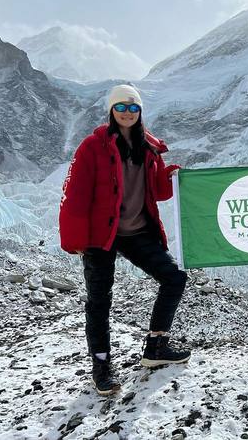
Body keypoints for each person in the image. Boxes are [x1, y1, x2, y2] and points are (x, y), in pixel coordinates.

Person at [59, 84, 190, 395]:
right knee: (100, 301)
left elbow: (158, 193)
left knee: (174, 278)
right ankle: (101, 365)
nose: (127, 113)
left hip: (136, 231)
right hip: (100, 235)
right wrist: (73, 239)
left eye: (133, 108)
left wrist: (169, 174)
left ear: (140, 111)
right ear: (111, 110)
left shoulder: (149, 147)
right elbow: (76, 194)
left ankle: (156, 346)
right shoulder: (93, 146)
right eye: (121, 107)